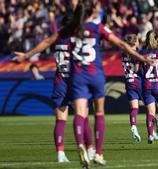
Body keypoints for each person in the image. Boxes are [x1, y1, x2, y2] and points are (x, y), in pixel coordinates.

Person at [15, 1, 154, 167]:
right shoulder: (97, 27)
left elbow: (46, 42)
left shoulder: (70, 29)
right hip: (95, 74)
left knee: (79, 114)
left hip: (76, 76)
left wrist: (26, 55)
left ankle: (80, 144)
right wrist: (142, 58)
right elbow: (122, 44)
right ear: (93, 11)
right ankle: (97, 152)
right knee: (98, 113)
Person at [13, 14, 96, 163]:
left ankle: (60, 154)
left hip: (60, 82)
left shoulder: (56, 40)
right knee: (83, 118)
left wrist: (26, 55)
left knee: (60, 121)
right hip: (76, 82)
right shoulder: (77, 41)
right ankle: (89, 149)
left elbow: (44, 43)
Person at [121, 34, 142, 142]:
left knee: (134, 108)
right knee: (151, 105)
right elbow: (137, 69)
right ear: (134, 43)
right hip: (138, 82)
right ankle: (152, 133)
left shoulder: (123, 53)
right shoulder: (136, 54)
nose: (139, 42)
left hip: (128, 82)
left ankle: (134, 126)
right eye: (138, 41)